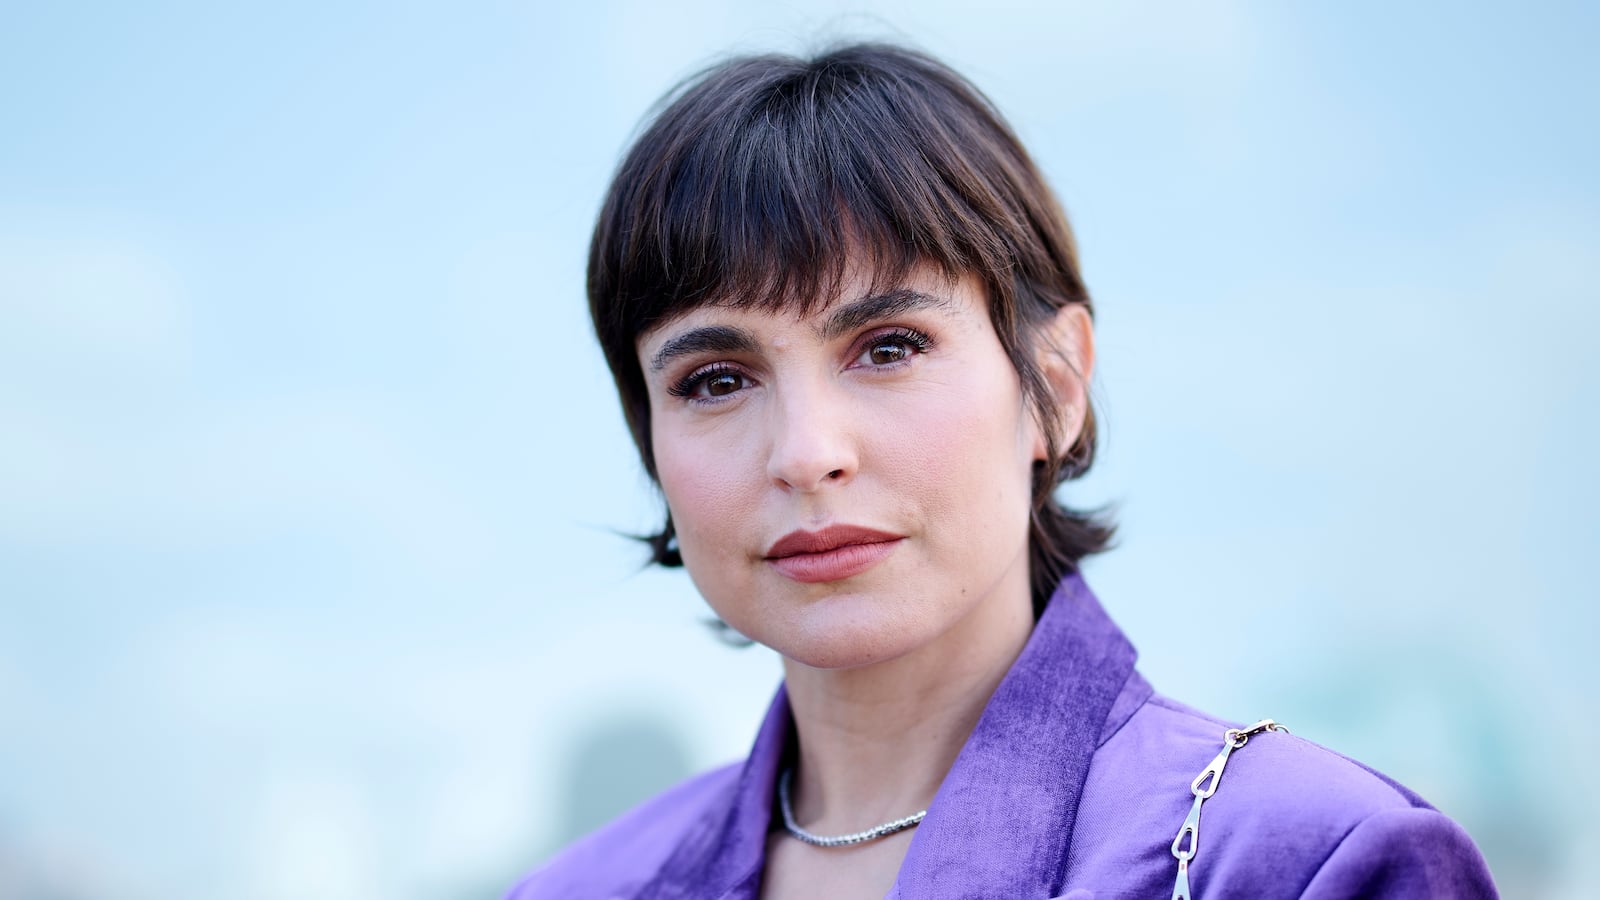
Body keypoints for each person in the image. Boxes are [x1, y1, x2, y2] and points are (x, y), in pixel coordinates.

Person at [507, 42, 1498, 899]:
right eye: (716, 380)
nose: (808, 453)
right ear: (651, 443)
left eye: (888, 348)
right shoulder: (578, 889)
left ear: (1056, 385)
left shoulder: (1299, 864)